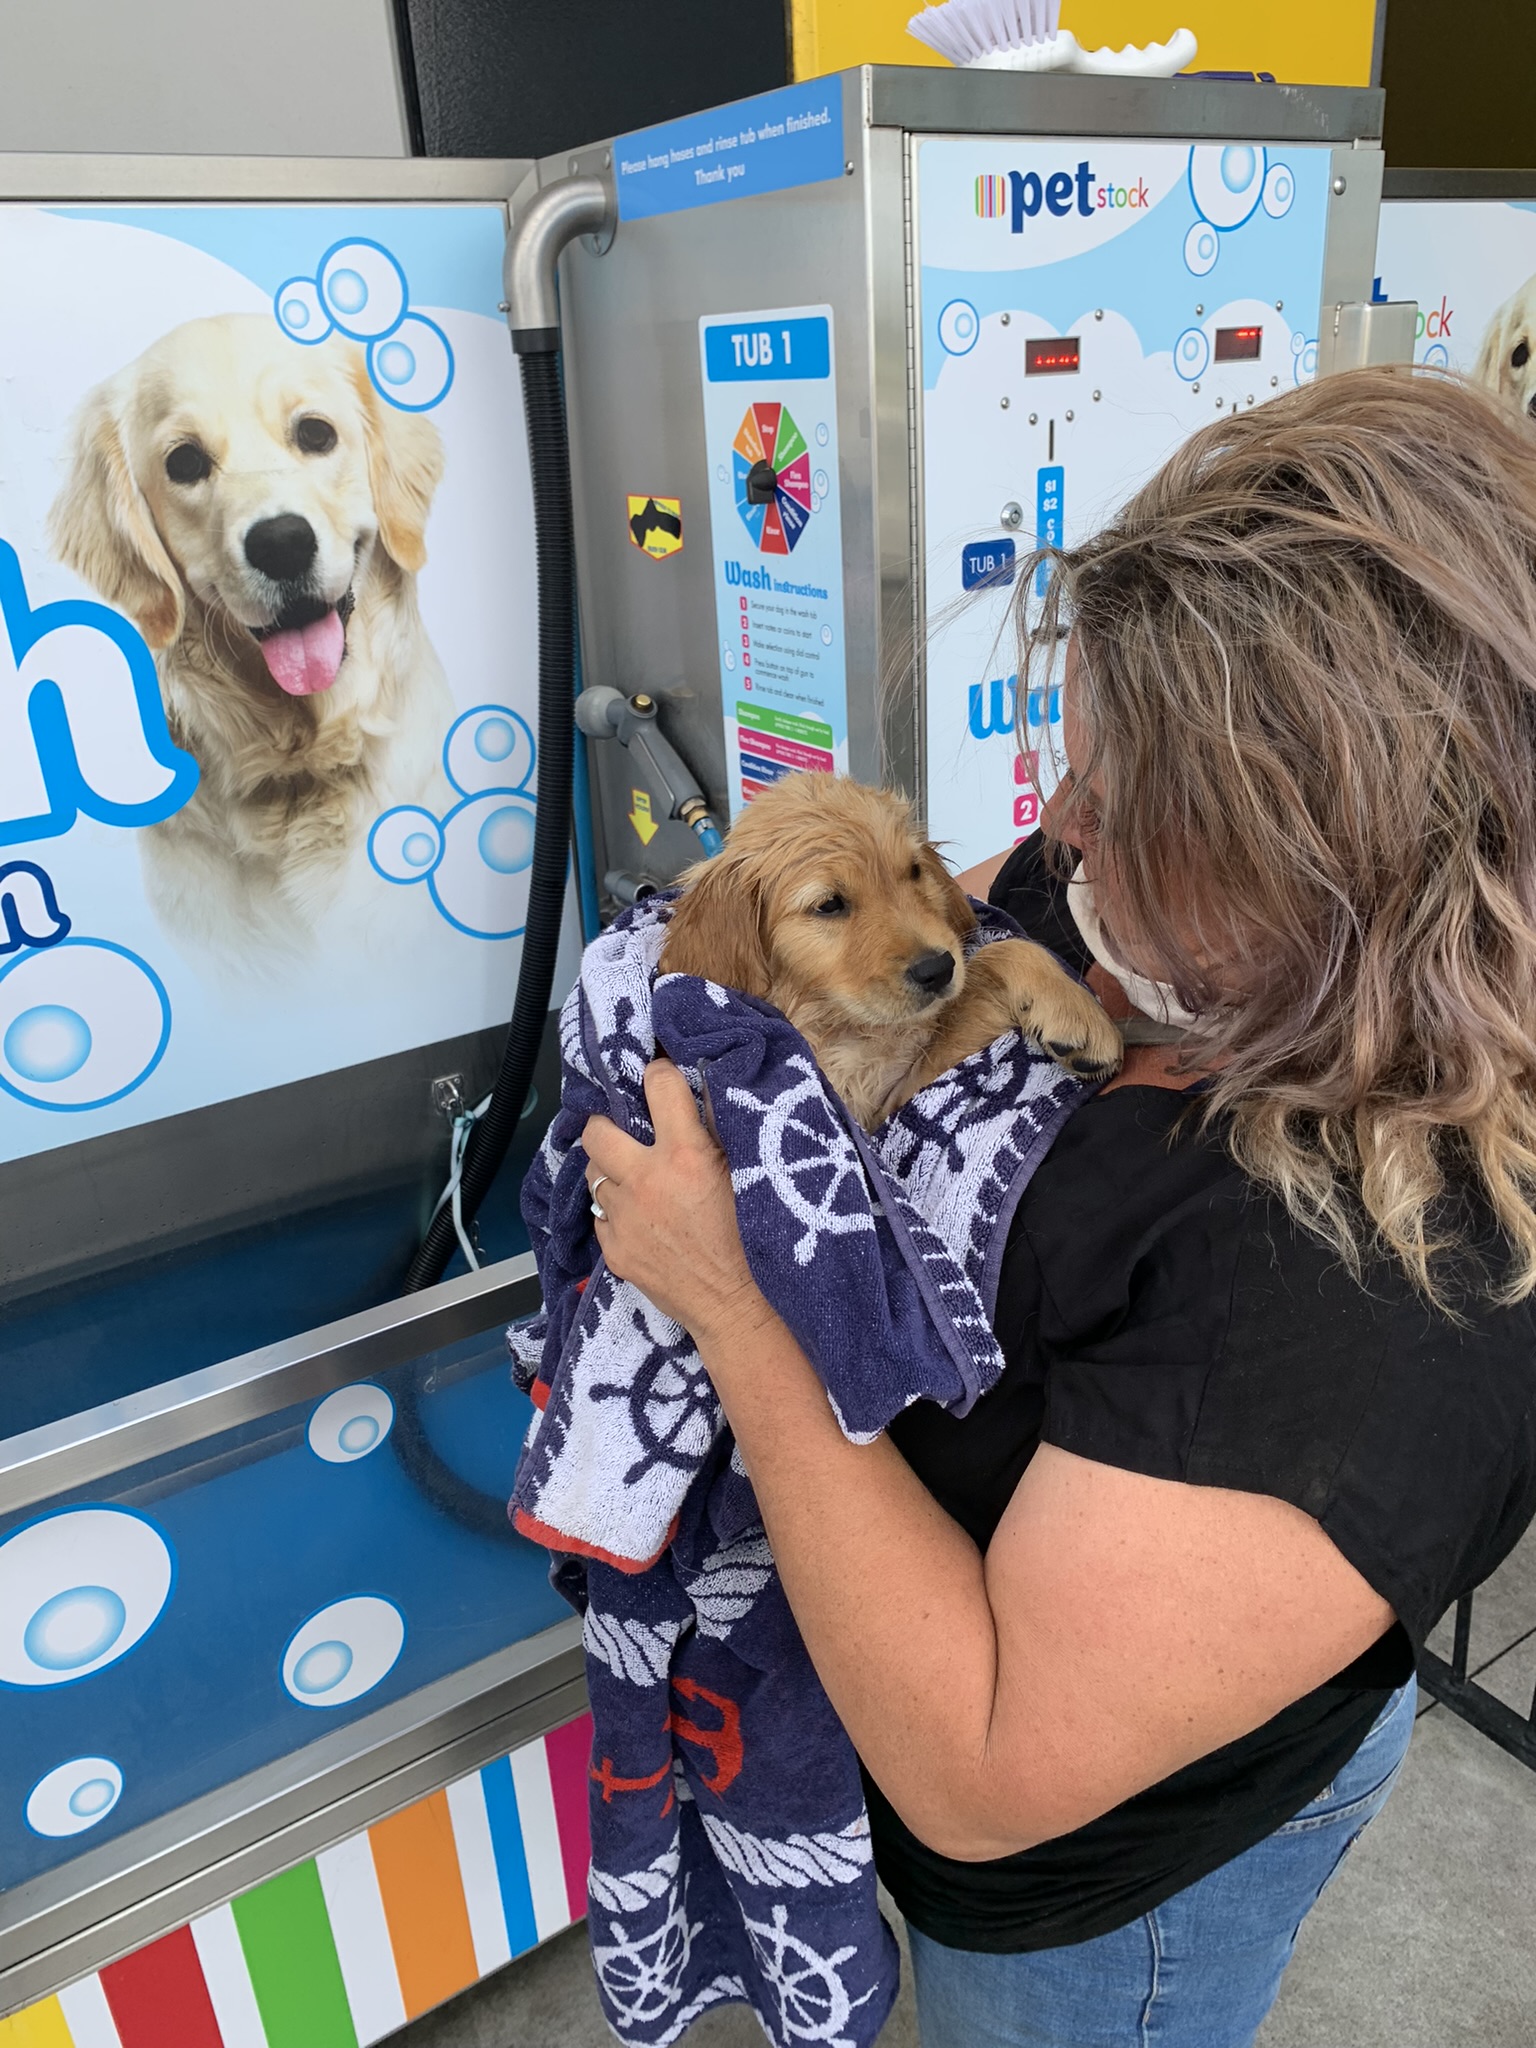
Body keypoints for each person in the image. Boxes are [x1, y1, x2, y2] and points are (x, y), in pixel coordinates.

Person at [578, 367, 1536, 2048]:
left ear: (1344, 868)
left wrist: (731, 1305)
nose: (1052, 830)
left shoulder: (1377, 1292)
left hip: (1110, 1888)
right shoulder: (1146, 929)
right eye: (1077, 756)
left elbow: (983, 1760)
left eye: (1136, 802)